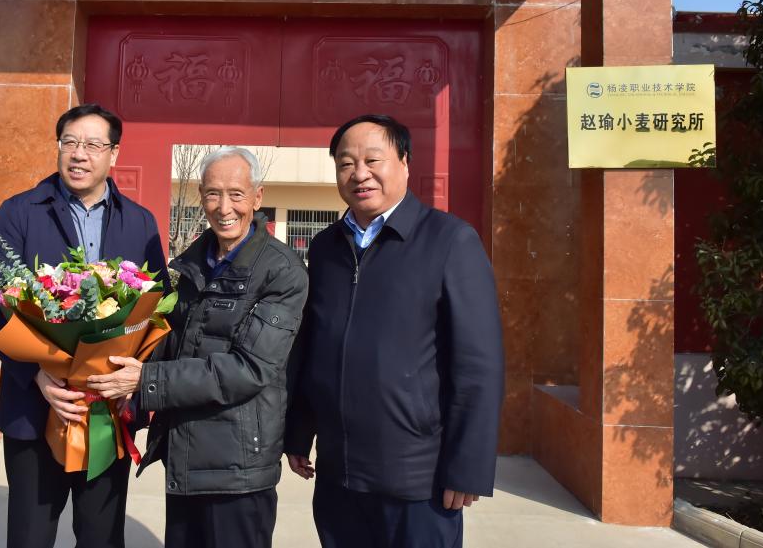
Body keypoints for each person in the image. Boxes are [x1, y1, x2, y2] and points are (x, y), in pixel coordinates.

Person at [284, 114, 504, 548]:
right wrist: (298, 432)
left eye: (372, 160)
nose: (359, 174)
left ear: (404, 162)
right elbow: (314, 348)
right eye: (346, 163)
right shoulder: (326, 247)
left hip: (417, 481)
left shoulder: (449, 240)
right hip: (338, 476)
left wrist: (468, 467)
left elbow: (479, 365)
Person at [88, 147, 309, 548]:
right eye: (212, 194)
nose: (224, 208)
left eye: (236, 194)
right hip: (185, 454)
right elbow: (170, 342)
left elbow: (249, 368)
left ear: (257, 197)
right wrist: (118, 379)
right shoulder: (190, 263)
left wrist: (144, 380)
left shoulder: (281, 271)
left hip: (238, 468)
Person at [0, 104, 167, 548]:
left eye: (94, 145)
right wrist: (36, 374)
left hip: (108, 410)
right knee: (30, 536)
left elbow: (156, 306)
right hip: (36, 409)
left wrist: (130, 377)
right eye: (71, 142)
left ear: (114, 154)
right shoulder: (19, 212)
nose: (80, 154)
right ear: (59, 147)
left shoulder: (140, 221)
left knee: (102, 537)